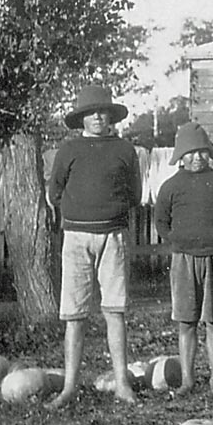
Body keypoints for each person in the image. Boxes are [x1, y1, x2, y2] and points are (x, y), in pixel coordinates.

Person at [46, 85, 143, 408]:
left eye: (103, 111)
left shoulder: (125, 150)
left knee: (115, 312)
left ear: (111, 116)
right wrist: (80, 212)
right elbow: (55, 192)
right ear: (82, 118)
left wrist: (108, 212)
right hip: (75, 238)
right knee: (75, 315)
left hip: (113, 236)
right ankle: (69, 387)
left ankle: (122, 384)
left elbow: (134, 194)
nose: (98, 117)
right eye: (91, 112)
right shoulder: (69, 149)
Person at [153, 122, 213, 397]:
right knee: (186, 321)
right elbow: (161, 222)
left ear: (210, 153)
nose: (197, 158)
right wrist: (180, 242)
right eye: (190, 153)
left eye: (202, 152)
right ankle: (188, 379)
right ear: (180, 156)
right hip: (183, 260)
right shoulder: (170, 187)